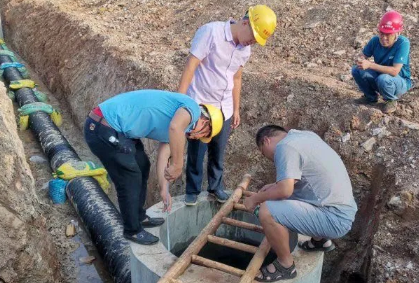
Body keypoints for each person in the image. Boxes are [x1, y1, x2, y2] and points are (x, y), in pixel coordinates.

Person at [84, 90, 223, 245]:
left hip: (119, 132)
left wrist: (164, 190)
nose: (197, 138)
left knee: (143, 165)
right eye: (203, 135)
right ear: (206, 122)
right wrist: (178, 164)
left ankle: (139, 217)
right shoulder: (193, 108)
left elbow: (164, 157)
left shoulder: (180, 129)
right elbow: (175, 127)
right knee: (130, 177)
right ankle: (132, 230)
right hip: (102, 127)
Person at [177, 5, 277, 206]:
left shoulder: (245, 50)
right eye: (254, 36)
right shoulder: (211, 32)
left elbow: (237, 78)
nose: (253, 43)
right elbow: (191, 65)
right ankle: (192, 191)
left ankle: (215, 187)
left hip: (224, 108)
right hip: (202, 105)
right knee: (197, 152)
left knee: (218, 151)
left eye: (258, 41)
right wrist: (181, 101)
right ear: (246, 22)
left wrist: (236, 108)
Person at [244, 125, 357, 282]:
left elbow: (285, 191)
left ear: (266, 140)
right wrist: (273, 186)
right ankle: (320, 240)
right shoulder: (305, 136)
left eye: (264, 153)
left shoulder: (285, 147)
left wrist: (256, 198)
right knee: (280, 197)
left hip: (334, 219)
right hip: (342, 210)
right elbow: (305, 181)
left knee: (267, 210)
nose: (269, 158)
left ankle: (285, 266)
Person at [352, 10, 412, 114]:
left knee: (383, 79)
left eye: (388, 35)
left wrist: (370, 65)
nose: (384, 38)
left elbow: (394, 71)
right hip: (381, 79)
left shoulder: (403, 43)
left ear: (397, 34)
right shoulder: (375, 41)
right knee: (356, 70)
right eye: (381, 33)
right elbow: (363, 55)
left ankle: (391, 100)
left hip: (399, 81)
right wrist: (360, 59)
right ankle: (370, 97)